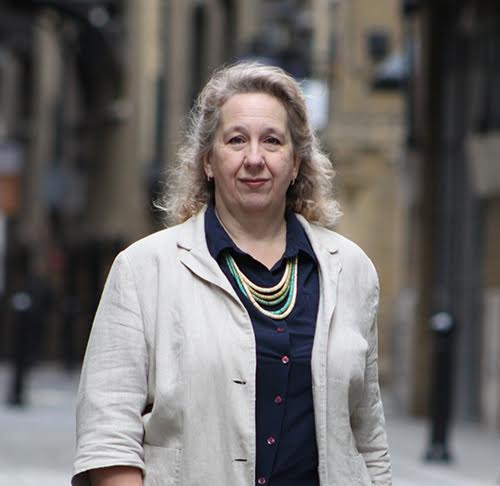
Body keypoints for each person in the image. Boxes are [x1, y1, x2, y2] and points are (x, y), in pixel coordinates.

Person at [72, 62, 392, 486]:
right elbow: (107, 433)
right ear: (208, 161)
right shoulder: (144, 270)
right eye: (236, 140)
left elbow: (368, 435)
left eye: (272, 141)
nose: (254, 159)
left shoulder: (351, 270)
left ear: (295, 163)